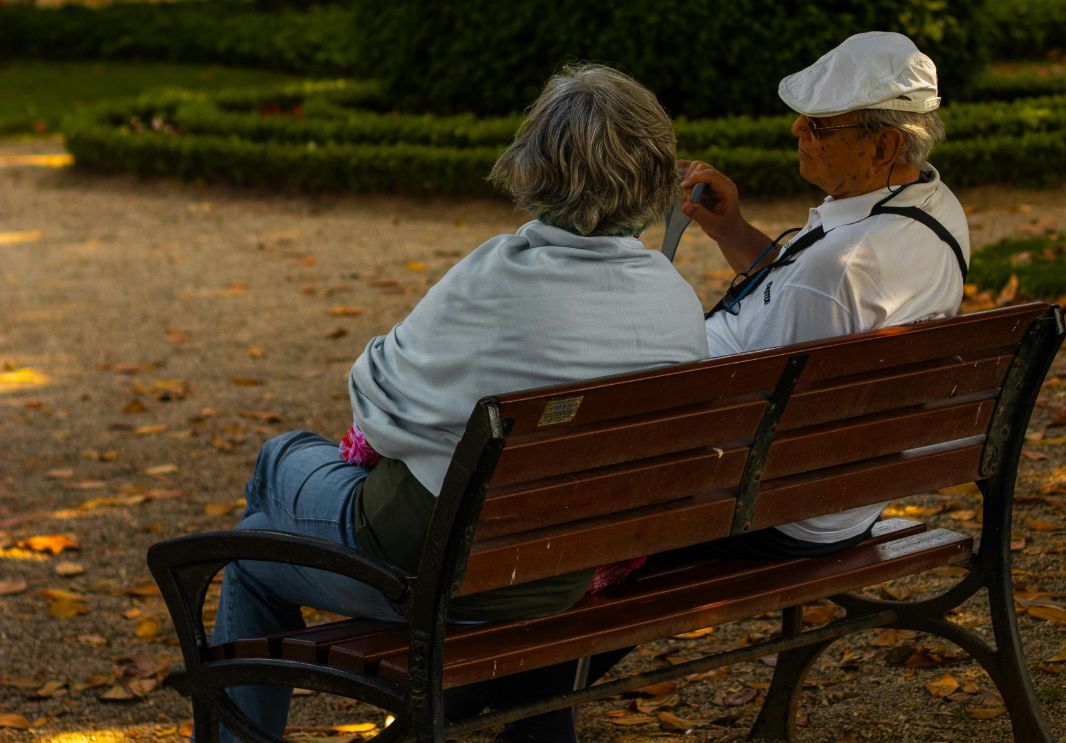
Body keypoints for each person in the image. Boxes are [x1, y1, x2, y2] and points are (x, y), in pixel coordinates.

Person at [209, 64, 708, 742]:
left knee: (263, 503)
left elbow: (372, 398)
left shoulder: (496, 275)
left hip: (441, 566)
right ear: (652, 171)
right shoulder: (671, 299)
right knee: (276, 506)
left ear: (535, 166)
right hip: (561, 570)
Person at [679, 31, 971, 558]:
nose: (797, 130)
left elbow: (744, 406)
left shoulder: (841, 268)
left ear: (885, 145)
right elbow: (797, 299)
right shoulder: (933, 205)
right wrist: (733, 232)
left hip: (767, 506)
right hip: (841, 493)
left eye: (819, 125)